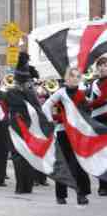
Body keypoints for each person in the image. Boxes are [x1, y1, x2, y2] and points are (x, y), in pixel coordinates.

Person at [43, 67, 91, 205]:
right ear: (66, 78)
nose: (74, 79)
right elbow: (46, 106)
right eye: (72, 76)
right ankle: (61, 195)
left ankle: (81, 194)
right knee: (62, 164)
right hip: (63, 133)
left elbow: (88, 111)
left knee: (79, 164)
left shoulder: (83, 94)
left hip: (78, 133)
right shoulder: (61, 93)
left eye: (77, 76)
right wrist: (51, 121)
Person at [0, 52, 36, 194]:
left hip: (16, 128)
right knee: (28, 156)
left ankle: (20, 187)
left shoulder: (11, 93)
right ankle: (28, 186)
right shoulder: (31, 93)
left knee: (18, 156)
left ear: (17, 80)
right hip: (30, 128)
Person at [88, 55, 107, 196]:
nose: (102, 68)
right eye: (100, 65)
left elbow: (101, 100)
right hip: (97, 122)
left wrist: (89, 103)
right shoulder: (93, 83)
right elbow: (89, 99)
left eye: (105, 65)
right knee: (100, 155)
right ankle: (102, 185)